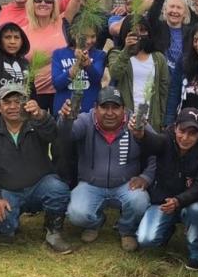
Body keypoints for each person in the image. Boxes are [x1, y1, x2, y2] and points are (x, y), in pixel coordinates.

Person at [0, 83, 72, 253]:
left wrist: (41, 116)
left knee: (59, 189)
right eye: (7, 102)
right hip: (7, 192)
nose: (13, 106)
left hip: (39, 185)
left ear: (26, 103)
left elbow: (53, 134)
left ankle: (53, 231)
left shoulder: (36, 123)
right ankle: (3, 226)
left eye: (18, 101)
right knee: (5, 230)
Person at [60, 87, 154, 252]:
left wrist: (146, 177)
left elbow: (157, 151)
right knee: (76, 214)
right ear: (95, 108)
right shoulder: (85, 120)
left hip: (126, 185)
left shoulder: (136, 123)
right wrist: (66, 119)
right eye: (104, 107)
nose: (110, 113)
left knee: (140, 202)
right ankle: (95, 222)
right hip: (90, 185)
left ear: (124, 109)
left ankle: (126, 229)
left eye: (115, 107)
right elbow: (66, 135)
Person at [132, 108, 198, 270]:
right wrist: (140, 134)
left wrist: (178, 201)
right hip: (163, 201)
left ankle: (197, 252)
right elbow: (153, 141)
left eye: (192, 133)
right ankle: (167, 229)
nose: (185, 137)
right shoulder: (165, 140)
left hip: (189, 202)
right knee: (145, 240)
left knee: (195, 209)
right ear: (175, 127)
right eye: (182, 131)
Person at [23, 0, 82, 112]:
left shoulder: (62, 22)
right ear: (31, 3)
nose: (43, 3)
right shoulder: (23, 32)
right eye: (38, 0)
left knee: (61, 127)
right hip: (35, 94)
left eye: (48, 1)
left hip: (62, 90)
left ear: (54, 5)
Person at [108, 18, 170, 130]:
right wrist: (127, 51)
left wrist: (161, 119)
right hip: (125, 118)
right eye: (134, 31)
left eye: (143, 30)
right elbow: (115, 74)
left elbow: (163, 91)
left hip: (151, 119)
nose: (139, 35)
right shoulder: (116, 54)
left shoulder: (158, 58)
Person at [51, 19, 107, 117]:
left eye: (93, 36)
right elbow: (57, 84)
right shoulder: (58, 54)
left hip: (90, 114)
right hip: (64, 113)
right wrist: (77, 64)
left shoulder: (99, 55)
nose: (89, 41)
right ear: (74, 34)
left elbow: (96, 78)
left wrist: (87, 64)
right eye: (84, 36)